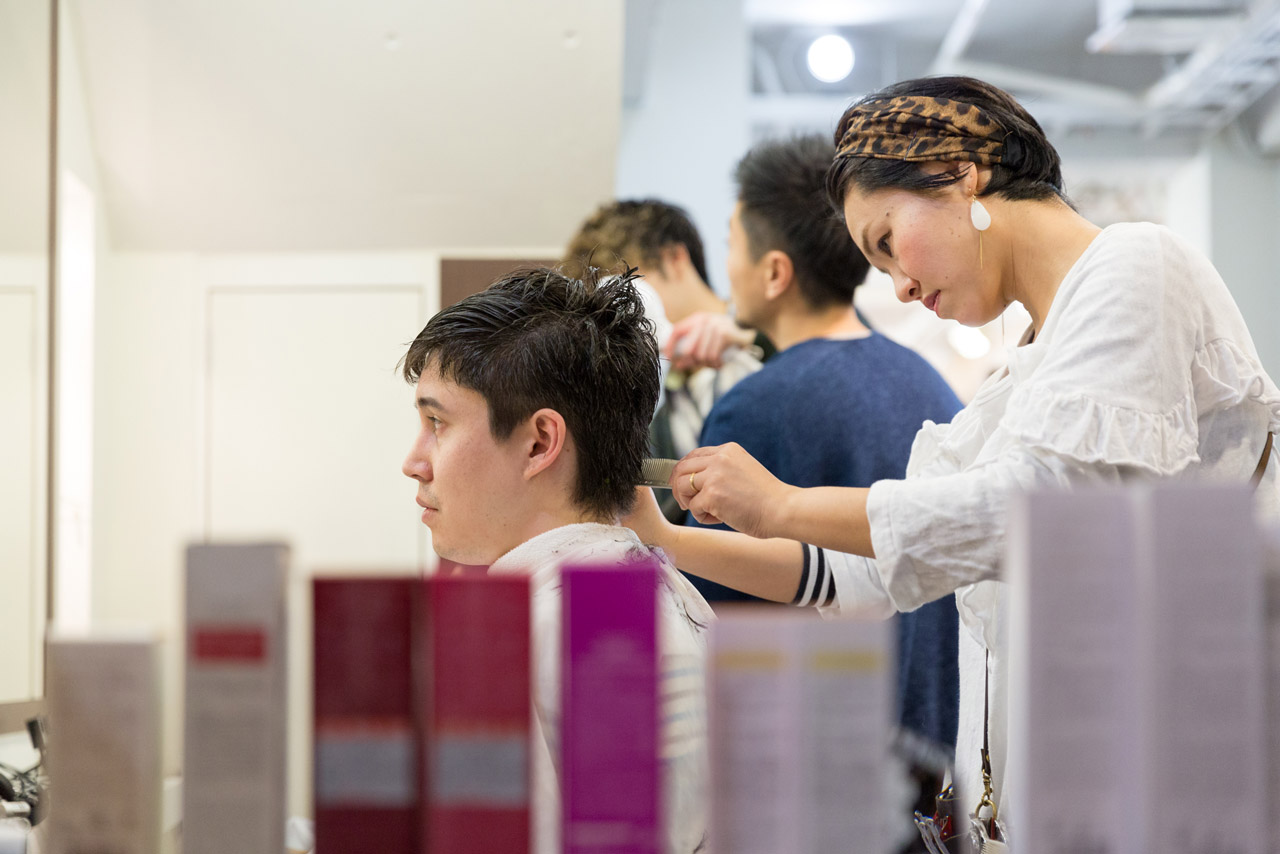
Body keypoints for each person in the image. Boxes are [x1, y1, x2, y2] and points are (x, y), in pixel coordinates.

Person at [624, 76, 1280, 840]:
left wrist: (782, 504)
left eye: (888, 242)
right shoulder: (1019, 379)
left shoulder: (1137, 264)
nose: (899, 287)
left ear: (958, 171)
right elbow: (869, 577)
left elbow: (1045, 511)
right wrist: (667, 539)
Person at [400, 267, 713, 854]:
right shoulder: (670, 596)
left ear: (540, 443)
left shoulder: (550, 631)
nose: (414, 461)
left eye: (436, 423)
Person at [691, 134, 963, 798]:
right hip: (937, 778)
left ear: (776, 272)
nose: (725, 271)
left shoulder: (751, 414)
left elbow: (715, 628)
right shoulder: (930, 386)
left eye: (731, 245)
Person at [564, 199, 768, 524]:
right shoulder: (640, 391)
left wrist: (753, 338)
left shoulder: (765, 343)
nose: (620, 318)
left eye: (629, 292)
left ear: (674, 259)